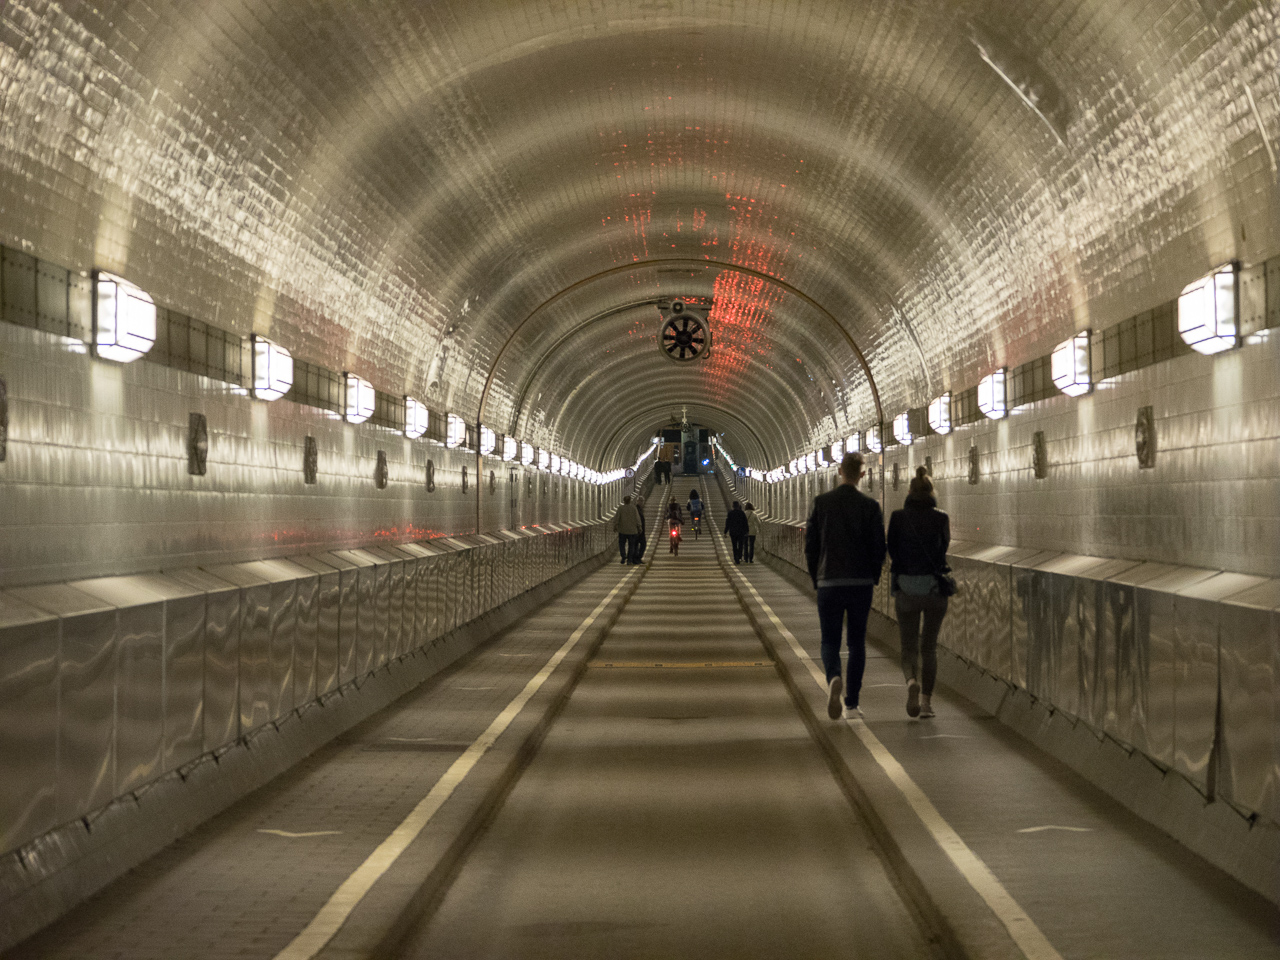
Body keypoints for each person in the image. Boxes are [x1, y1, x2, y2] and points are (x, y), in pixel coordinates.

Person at [804, 451, 886, 720]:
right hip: (860, 582)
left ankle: (833, 677)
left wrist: (816, 577)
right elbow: (879, 548)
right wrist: (872, 576)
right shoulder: (870, 506)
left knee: (829, 640)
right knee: (857, 643)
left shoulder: (822, 503)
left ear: (840, 471)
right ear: (863, 474)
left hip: (829, 581)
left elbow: (811, 546)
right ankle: (852, 703)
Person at [887, 466, 950, 719]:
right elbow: (943, 547)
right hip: (934, 590)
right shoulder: (941, 518)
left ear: (910, 491)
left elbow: (891, 549)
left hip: (906, 589)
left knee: (908, 646)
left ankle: (911, 681)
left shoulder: (898, 517)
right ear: (931, 491)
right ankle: (926, 704)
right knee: (929, 647)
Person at [614, 495, 643, 565]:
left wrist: (615, 526)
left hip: (622, 530)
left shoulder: (620, 508)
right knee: (631, 545)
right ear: (630, 501)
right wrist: (639, 527)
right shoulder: (634, 508)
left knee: (621, 544)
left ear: (624, 501)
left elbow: (617, 518)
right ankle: (629, 560)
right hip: (632, 531)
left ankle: (623, 556)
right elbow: (637, 518)